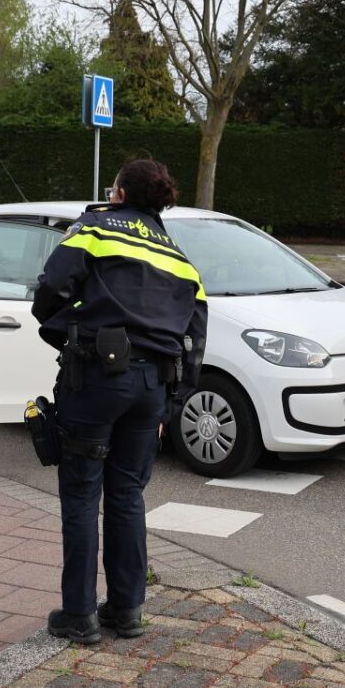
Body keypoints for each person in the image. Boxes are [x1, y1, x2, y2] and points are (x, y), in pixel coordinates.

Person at [32, 159, 208, 645]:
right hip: (154, 387)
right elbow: (196, 336)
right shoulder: (179, 256)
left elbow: (51, 285)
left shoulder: (95, 227)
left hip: (95, 378)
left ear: (121, 195)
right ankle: (127, 609)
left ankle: (79, 615)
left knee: (83, 493)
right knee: (128, 495)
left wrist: (58, 323)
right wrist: (171, 405)